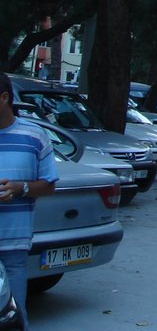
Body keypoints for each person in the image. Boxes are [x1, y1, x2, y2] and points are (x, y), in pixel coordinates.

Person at [0, 72, 58, 327]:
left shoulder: (34, 136)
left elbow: (48, 186)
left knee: (14, 316)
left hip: (13, 245)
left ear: (3, 98)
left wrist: (19, 188)